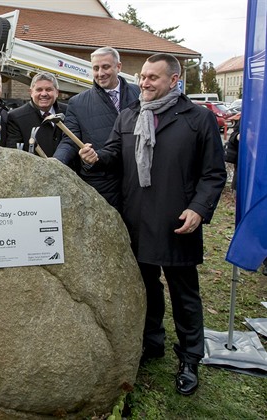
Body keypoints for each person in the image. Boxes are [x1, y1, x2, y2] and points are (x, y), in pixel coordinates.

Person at [79, 53, 227, 396]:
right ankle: (152, 342)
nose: (144, 83)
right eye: (143, 76)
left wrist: (198, 209)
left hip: (178, 221)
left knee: (184, 293)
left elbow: (213, 173)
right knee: (146, 286)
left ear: (173, 81)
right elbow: (113, 156)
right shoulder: (130, 115)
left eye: (153, 78)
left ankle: (190, 358)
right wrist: (96, 157)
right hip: (137, 220)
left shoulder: (198, 119)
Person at [54, 47, 139, 210]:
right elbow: (69, 142)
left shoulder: (140, 94)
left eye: (106, 67)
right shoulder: (77, 103)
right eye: (95, 68)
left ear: (118, 67)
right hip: (102, 183)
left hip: (137, 182)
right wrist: (57, 161)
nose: (100, 73)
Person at [6, 72, 67, 157]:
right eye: (39, 90)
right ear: (31, 92)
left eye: (48, 89)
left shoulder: (68, 112)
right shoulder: (16, 117)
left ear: (57, 92)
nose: (44, 94)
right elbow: (14, 153)